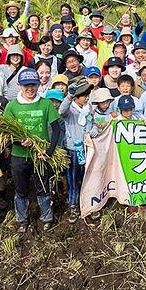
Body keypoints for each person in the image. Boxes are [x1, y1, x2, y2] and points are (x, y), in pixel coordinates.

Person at [3, 68, 62, 232]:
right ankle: (22, 219)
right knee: (21, 189)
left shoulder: (46, 103)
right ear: (19, 86)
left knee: (43, 187)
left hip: (40, 156)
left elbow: (56, 129)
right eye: (26, 85)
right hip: (18, 156)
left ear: (38, 85)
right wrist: (20, 142)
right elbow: (6, 135)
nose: (30, 89)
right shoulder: (12, 107)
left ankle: (46, 217)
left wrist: (49, 152)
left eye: (33, 85)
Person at [59, 80, 95, 223]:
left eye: (88, 95)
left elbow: (92, 123)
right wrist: (69, 96)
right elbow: (61, 111)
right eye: (83, 95)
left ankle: (87, 203)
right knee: (73, 178)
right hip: (73, 149)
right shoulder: (70, 109)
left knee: (87, 177)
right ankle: (73, 205)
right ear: (76, 97)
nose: (86, 98)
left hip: (87, 147)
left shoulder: (88, 107)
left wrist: (93, 130)